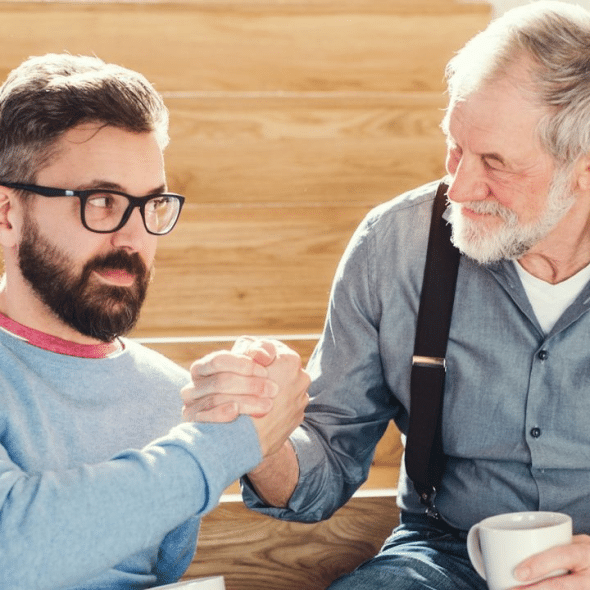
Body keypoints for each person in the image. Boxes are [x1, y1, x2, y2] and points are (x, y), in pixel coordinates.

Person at [183, 2, 590, 588]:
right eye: (455, 146)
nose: (460, 185)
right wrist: (262, 433)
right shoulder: (395, 246)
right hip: (444, 557)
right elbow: (320, 475)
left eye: (496, 163)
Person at [0, 53, 310, 590]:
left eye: (152, 204)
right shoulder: (197, 438)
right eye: (101, 201)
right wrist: (225, 443)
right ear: (7, 214)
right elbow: (13, 551)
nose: (134, 238)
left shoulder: (171, 394)